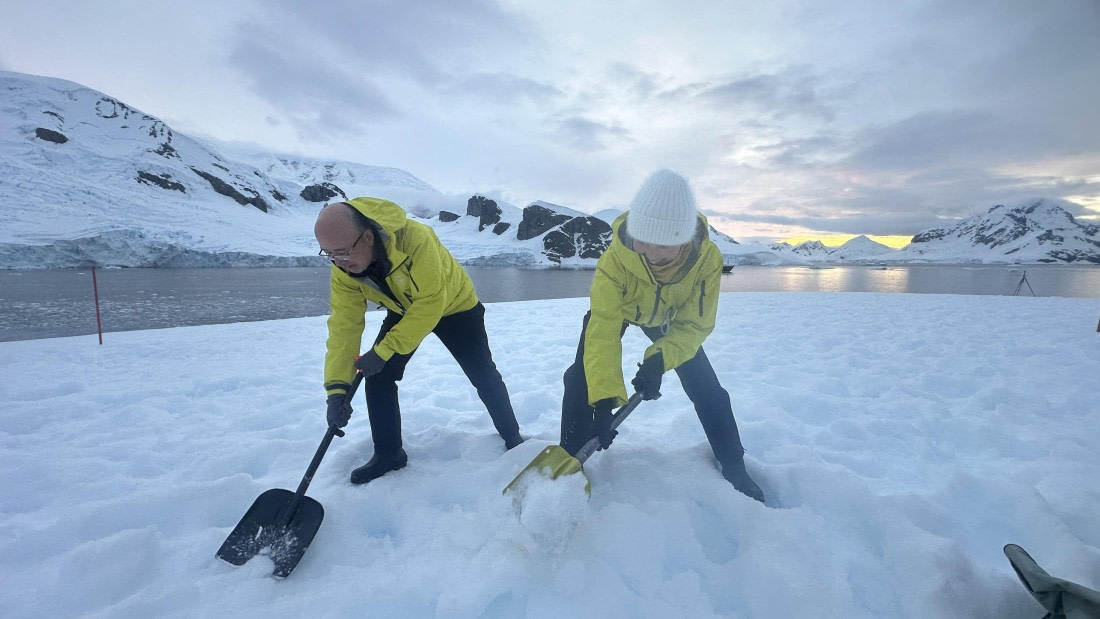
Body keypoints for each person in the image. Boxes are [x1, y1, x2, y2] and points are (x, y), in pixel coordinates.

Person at [558, 169, 765, 502]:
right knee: (580, 377)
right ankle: (568, 459)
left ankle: (735, 467)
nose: (650, 254)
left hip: (669, 319)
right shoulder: (617, 258)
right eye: (643, 239)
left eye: (662, 245)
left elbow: (694, 325)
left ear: (683, 240)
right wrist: (604, 399)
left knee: (708, 391)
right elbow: (604, 327)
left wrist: (659, 359)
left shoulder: (707, 260)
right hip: (622, 309)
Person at [315, 198, 524, 485]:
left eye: (342, 252)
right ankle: (389, 454)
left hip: (455, 307)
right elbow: (344, 325)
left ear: (367, 237)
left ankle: (513, 438)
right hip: (404, 310)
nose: (338, 262)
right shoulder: (343, 269)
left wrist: (384, 350)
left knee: (483, 374)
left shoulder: (416, 239)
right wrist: (337, 389)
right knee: (377, 376)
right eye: (329, 255)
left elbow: (430, 303)